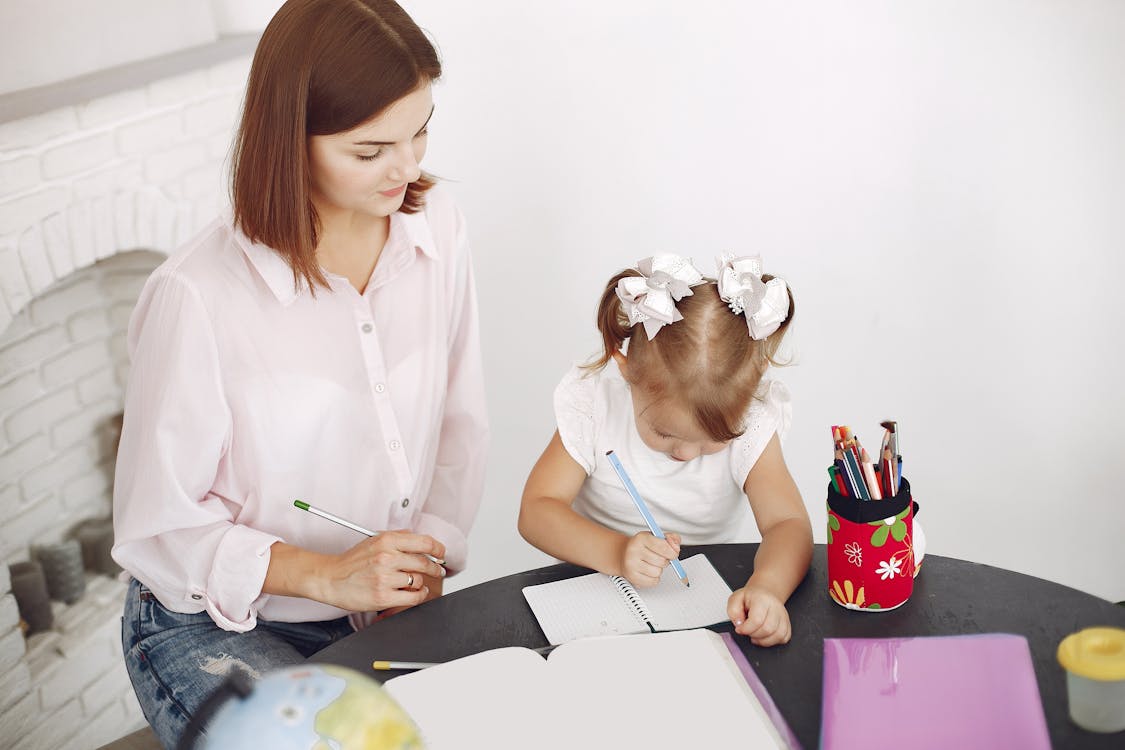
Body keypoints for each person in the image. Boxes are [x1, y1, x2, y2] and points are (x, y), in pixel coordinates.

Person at [111, 0, 488, 744]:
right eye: (370, 149)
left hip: (379, 606)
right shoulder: (198, 294)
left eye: (419, 132)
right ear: (293, 141)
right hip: (209, 622)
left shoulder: (435, 224)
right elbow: (158, 529)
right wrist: (327, 575)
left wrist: (423, 557)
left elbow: (458, 416)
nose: (407, 168)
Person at [518, 253, 812, 647]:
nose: (687, 454)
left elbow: (787, 524)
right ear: (627, 371)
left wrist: (768, 588)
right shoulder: (596, 407)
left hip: (697, 605)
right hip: (590, 594)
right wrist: (617, 552)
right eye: (663, 433)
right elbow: (536, 510)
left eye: (715, 440)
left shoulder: (754, 423)